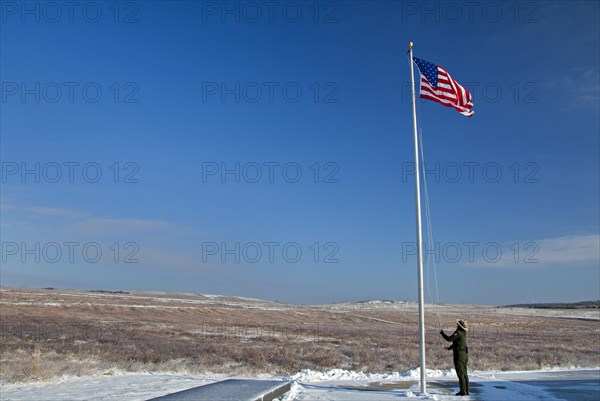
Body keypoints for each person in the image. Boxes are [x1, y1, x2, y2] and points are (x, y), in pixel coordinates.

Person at [440, 320, 469, 396]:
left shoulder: (458, 333)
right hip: (464, 355)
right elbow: (457, 343)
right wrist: (449, 348)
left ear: (459, 326)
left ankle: (463, 391)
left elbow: (449, 339)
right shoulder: (463, 333)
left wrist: (442, 333)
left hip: (459, 356)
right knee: (464, 373)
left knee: (460, 373)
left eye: (457, 324)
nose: (456, 325)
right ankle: (466, 390)